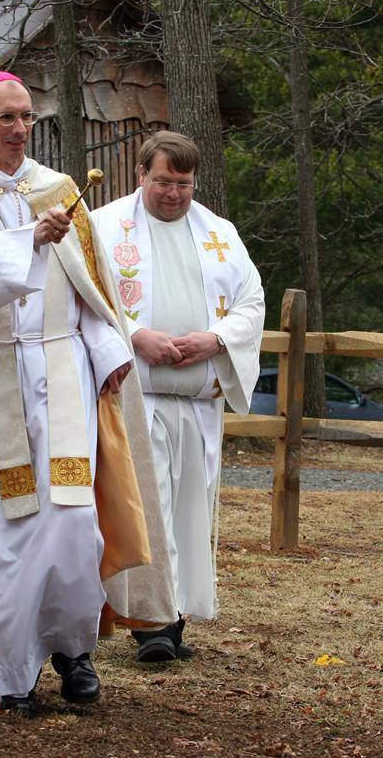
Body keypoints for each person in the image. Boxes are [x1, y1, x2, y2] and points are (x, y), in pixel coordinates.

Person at [0, 71, 175, 717]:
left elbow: (92, 294)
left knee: (71, 523)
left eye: (27, 116)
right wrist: (28, 238)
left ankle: (73, 654)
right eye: (5, 117)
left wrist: (110, 353)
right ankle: (14, 677)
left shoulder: (58, 191)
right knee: (8, 530)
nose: (19, 128)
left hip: (63, 374)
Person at [91, 131, 264, 661]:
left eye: (183, 184)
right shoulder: (104, 227)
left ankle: (177, 618)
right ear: (141, 174)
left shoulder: (220, 234)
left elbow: (251, 302)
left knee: (189, 513)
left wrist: (214, 339)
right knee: (149, 508)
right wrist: (136, 334)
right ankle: (152, 624)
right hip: (136, 400)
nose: (173, 193)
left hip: (196, 402)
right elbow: (88, 295)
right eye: (163, 181)